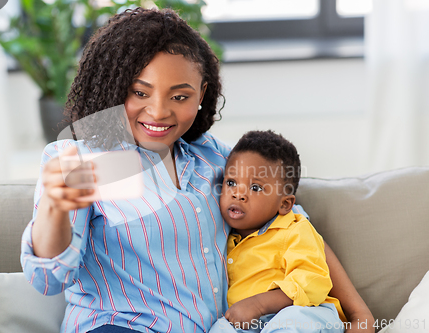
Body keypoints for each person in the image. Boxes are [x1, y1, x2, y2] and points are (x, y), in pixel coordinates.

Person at [20, 7, 374, 333]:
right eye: (139, 93)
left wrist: (361, 316)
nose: (158, 112)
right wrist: (55, 207)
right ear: (114, 89)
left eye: (179, 96)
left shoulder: (215, 157)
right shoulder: (77, 160)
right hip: (118, 325)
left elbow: (294, 224)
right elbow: (48, 281)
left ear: (202, 93)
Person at [210, 130, 345, 333]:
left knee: (292, 320)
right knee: (221, 328)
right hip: (254, 322)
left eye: (255, 187)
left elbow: (312, 281)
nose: (238, 194)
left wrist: (259, 305)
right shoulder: (222, 235)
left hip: (307, 311)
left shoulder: (294, 229)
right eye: (231, 183)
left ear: (284, 204)